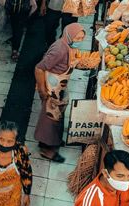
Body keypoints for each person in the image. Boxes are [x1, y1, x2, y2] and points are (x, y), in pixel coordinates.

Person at [33, 23, 84, 163]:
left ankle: (53, 140)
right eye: (77, 37)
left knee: (57, 114)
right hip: (50, 87)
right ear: (68, 35)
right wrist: (42, 90)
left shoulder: (68, 45)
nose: (79, 41)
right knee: (49, 118)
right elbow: (39, 68)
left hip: (59, 87)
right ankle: (45, 148)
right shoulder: (59, 49)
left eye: (81, 38)